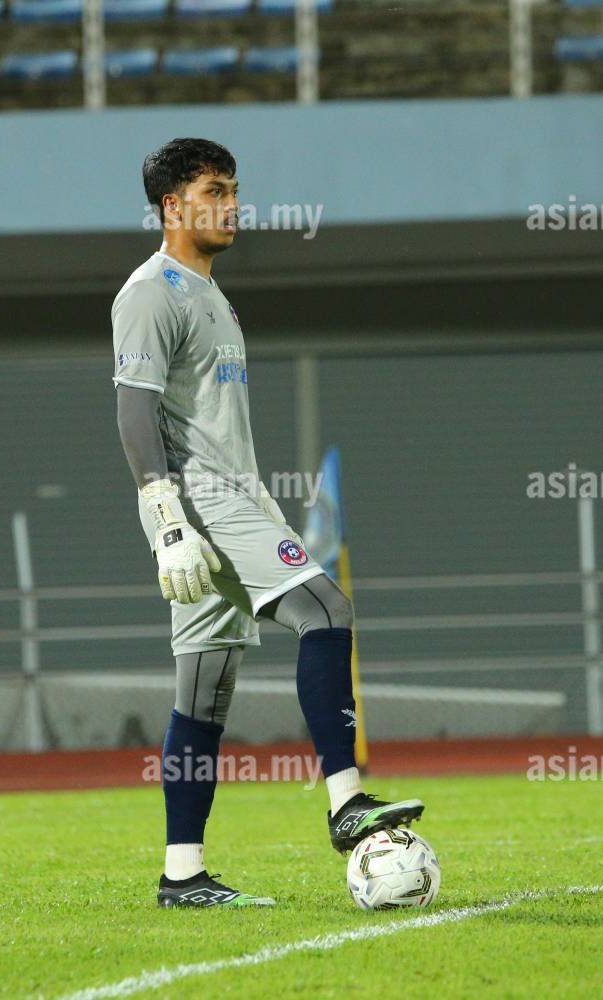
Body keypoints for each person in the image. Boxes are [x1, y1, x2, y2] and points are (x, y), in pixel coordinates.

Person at [112, 137, 426, 908]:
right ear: (171, 205)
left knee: (203, 692)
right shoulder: (150, 292)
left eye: (234, 189)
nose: (232, 205)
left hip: (231, 500)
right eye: (214, 191)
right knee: (326, 609)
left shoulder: (213, 297)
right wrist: (167, 518)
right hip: (201, 502)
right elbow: (133, 410)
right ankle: (346, 802)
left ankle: (182, 874)